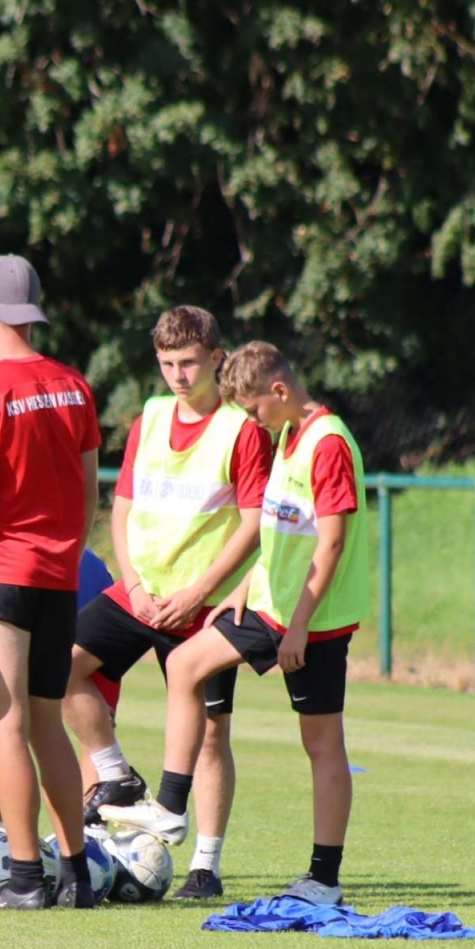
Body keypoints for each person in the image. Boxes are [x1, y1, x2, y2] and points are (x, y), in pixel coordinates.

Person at [135, 341, 371, 905]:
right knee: (186, 664)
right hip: (271, 606)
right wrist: (243, 590)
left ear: (280, 391)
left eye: (254, 408)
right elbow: (279, 533)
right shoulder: (287, 435)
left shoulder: (328, 442)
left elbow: (331, 544)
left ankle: (324, 879)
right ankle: (170, 807)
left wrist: (299, 628)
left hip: (313, 619)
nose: (252, 420)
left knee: (322, 745)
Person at [80, 307, 272, 901]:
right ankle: (115, 775)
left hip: (202, 606)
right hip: (139, 594)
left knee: (212, 734)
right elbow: (122, 509)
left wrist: (196, 592)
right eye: (167, 364)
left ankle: (205, 867)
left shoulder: (241, 429)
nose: (178, 376)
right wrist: (134, 584)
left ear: (216, 358)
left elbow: (254, 524)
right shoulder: (151, 418)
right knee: (58, 670)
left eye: (188, 362)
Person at [0, 255, 101, 909]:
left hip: (0, 580)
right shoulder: (75, 386)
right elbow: (89, 494)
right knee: (48, 726)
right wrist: (63, 556)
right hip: (58, 578)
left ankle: (26, 878)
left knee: (4, 728)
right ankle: (77, 875)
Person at [0, 544, 114, 835]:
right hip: (10, 599)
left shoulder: (87, 571)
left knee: (92, 727)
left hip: (80, 594)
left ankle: (91, 838)